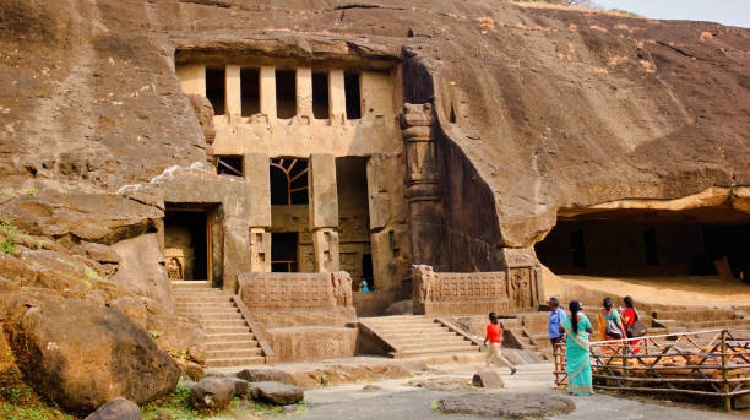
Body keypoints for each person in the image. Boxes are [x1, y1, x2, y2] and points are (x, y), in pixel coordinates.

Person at [559, 300, 594, 396]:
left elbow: (560, 329)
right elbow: (590, 329)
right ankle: (586, 390)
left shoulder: (566, 319)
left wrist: (567, 329)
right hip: (582, 346)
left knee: (573, 368)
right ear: (579, 308)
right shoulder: (584, 318)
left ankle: (573, 390)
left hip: (571, 347)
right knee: (585, 368)